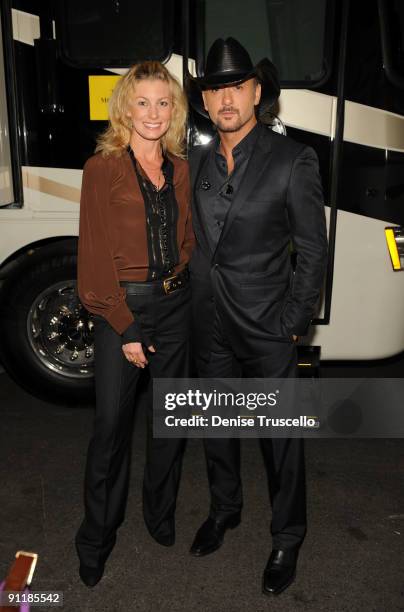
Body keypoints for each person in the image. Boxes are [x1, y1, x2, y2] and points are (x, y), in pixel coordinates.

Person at [187, 38, 328, 596]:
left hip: (268, 324)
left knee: (280, 437)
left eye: (236, 86)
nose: (226, 98)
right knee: (217, 425)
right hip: (208, 320)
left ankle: (287, 535)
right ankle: (225, 509)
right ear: (205, 100)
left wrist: (293, 321)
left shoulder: (292, 159)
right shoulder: (197, 158)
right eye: (216, 88)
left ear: (257, 92)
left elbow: (312, 250)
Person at [75, 61, 194, 587]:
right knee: (110, 430)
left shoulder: (182, 168)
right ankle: (96, 537)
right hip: (120, 309)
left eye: (163, 102)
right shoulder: (101, 169)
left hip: (175, 307)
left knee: (170, 423)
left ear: (175, 111)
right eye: (142, 102)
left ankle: (159, 515)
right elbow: (94, 255)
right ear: (124, 107)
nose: (153, 112)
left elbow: (188, 239)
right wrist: (125, 327)